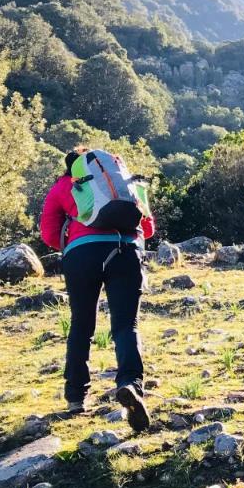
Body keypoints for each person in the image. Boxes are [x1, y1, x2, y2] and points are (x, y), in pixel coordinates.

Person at [39, 147, 155, 430]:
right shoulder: (126, 183)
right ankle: (130, 384)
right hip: (125, 251)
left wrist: (75, 239)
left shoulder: (64, 185)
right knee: (127, 325)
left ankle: (76, 397)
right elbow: (148, 228)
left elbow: (49, 234)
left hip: (82, 255)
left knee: (82, 325)